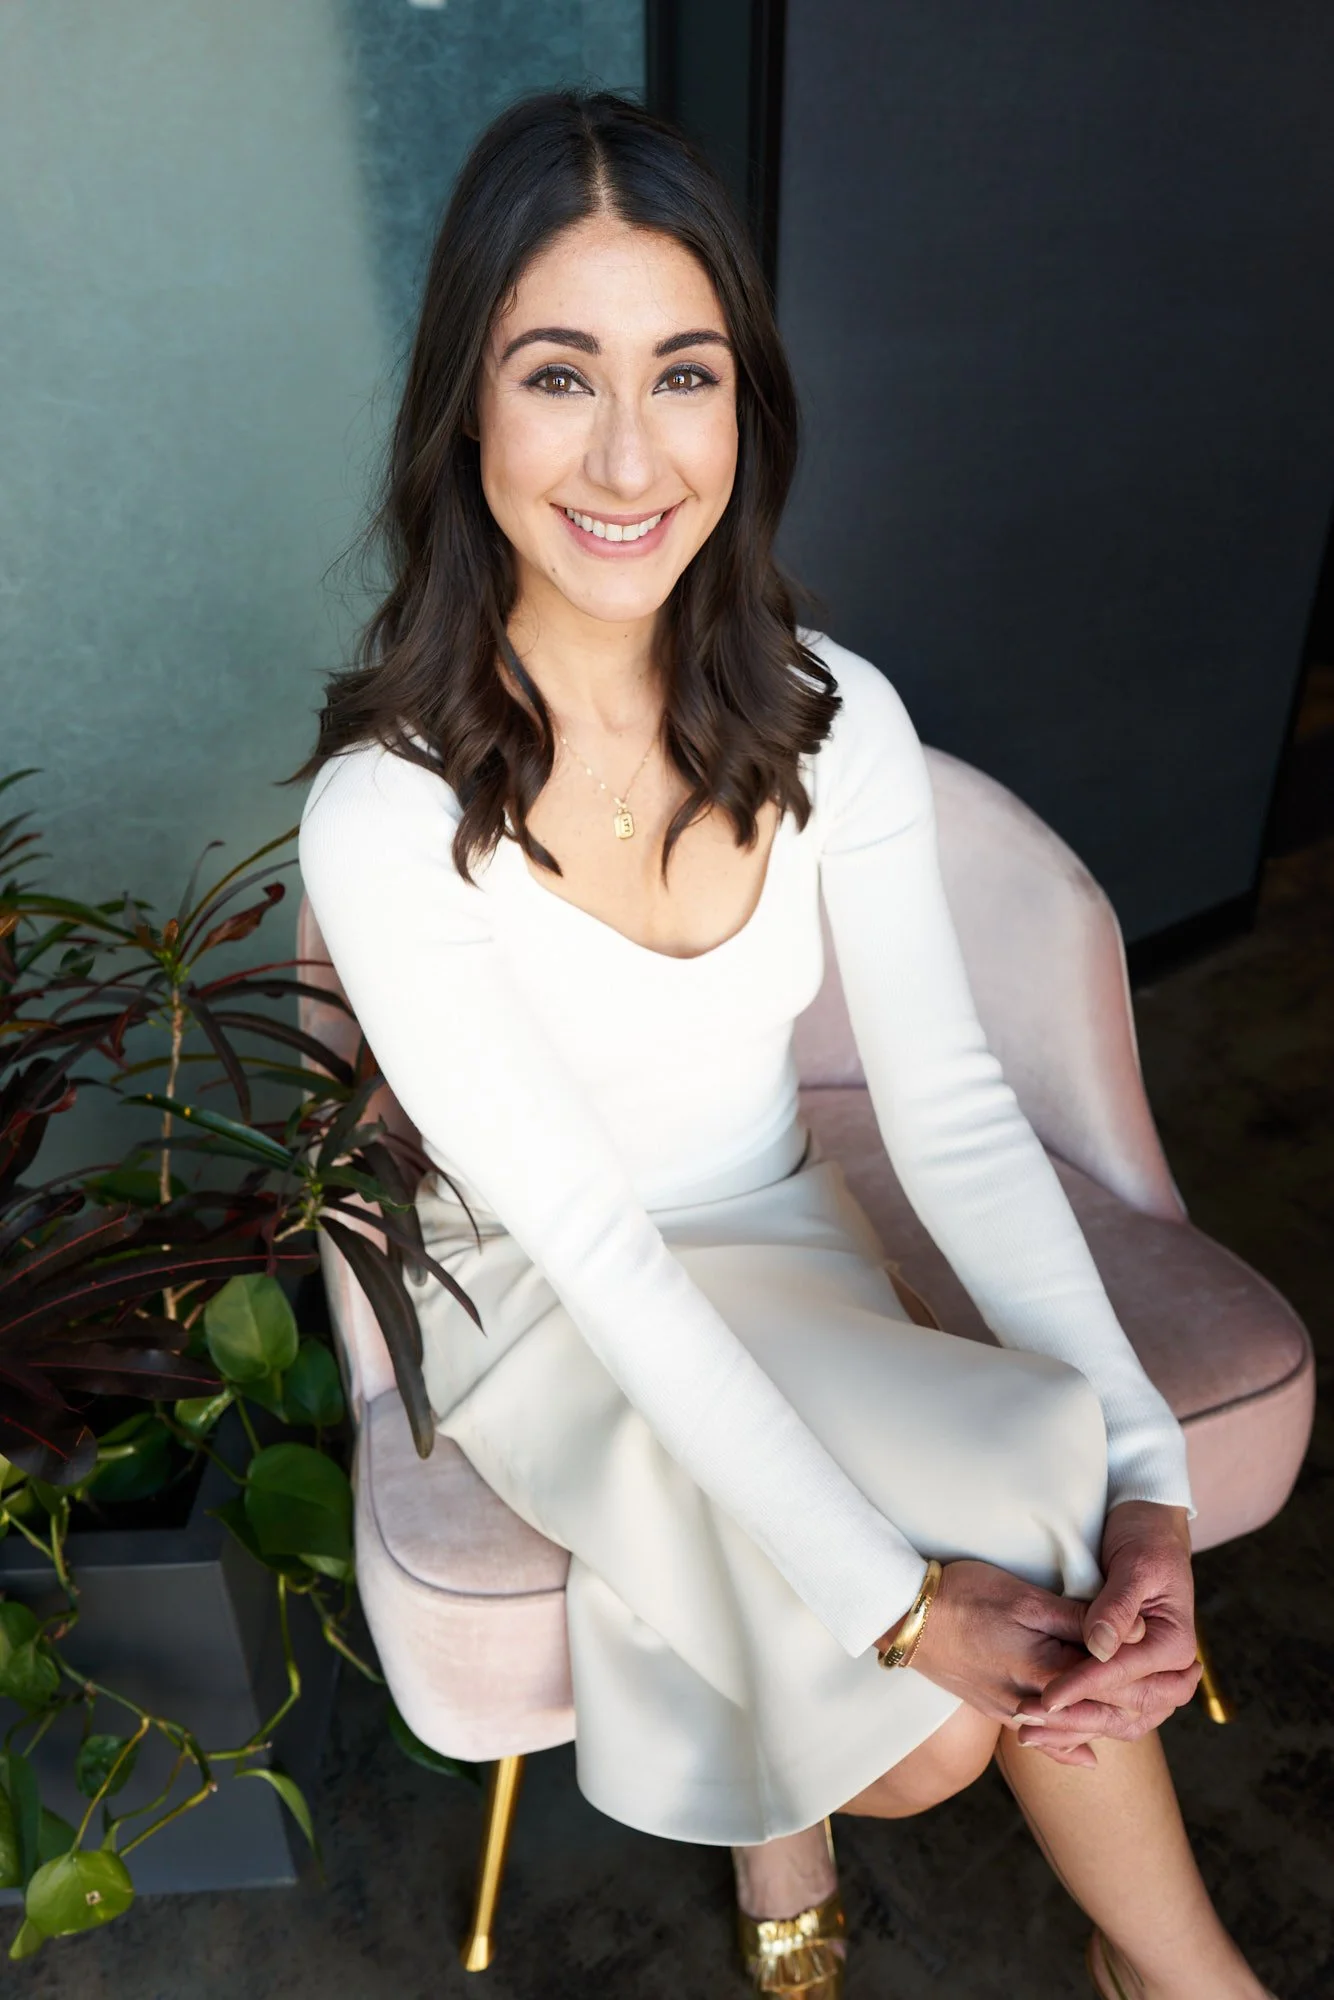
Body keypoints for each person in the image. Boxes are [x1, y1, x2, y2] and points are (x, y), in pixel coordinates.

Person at [297, 90, 1276, 2000]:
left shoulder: (841, 718)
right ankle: (835, 1835)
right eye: (556, 376)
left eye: (685, 373)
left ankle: (1182, 1980)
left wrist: (1148, 1480)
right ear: (464, 413)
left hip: (775, 1228)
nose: (628, 455)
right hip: (553, 1306)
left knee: (1055, 1466)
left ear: (747, 406)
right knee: (922, 1731)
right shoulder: (383, 815)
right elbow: (587, 1241)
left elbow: (960, 1120)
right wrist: (898, 1609)